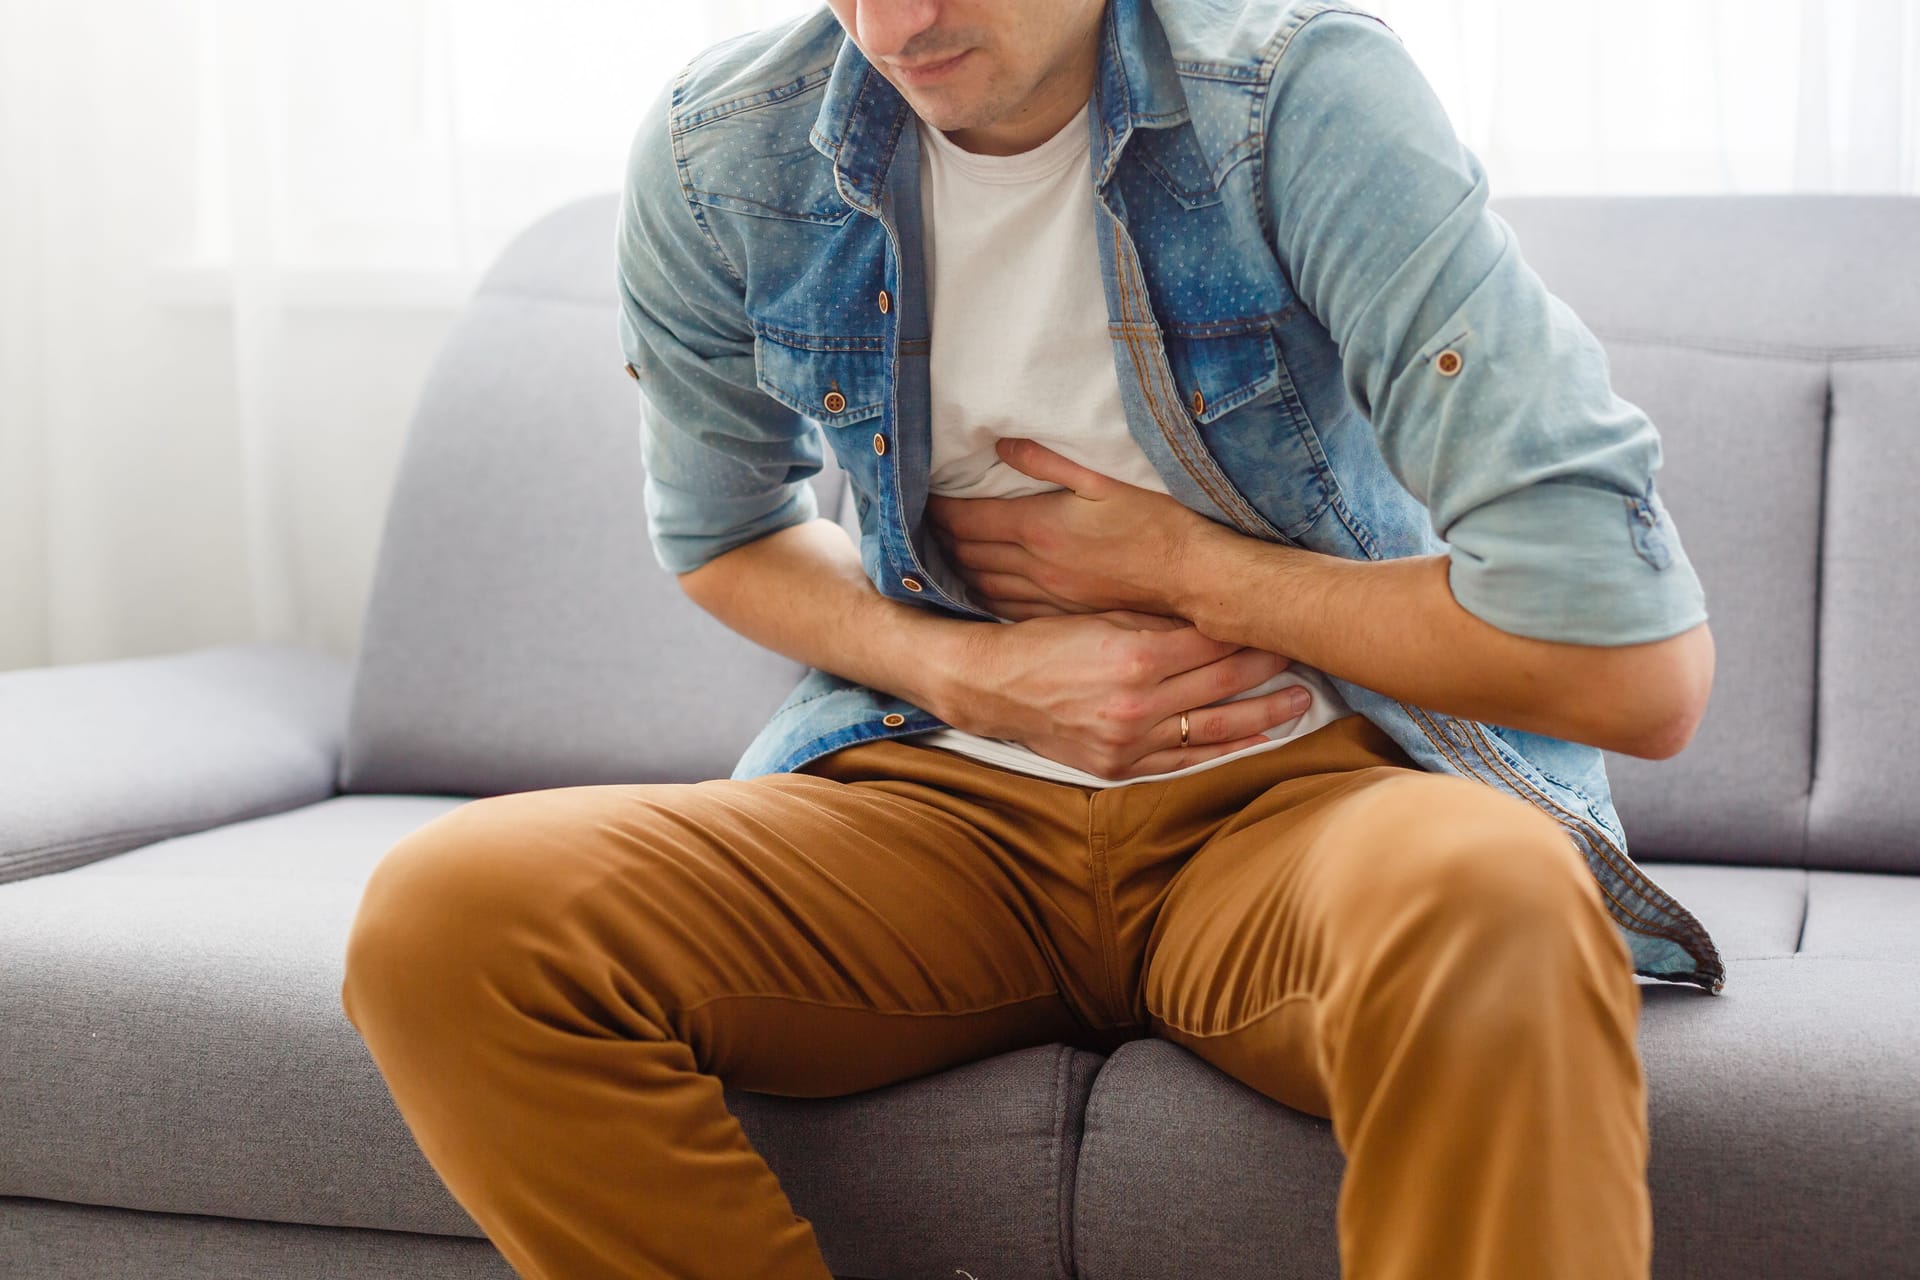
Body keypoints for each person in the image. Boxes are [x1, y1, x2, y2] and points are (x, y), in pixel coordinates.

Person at [340, 1, 1723, 1277]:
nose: (895, 25)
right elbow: (722, 534)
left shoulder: (1294, 100)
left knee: (1499, 894)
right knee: (451, 917)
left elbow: (1636, 669)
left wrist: (1198, 573)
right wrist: (970, 674)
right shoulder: (728, 145)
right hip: (935, 809)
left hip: (1310, 806)